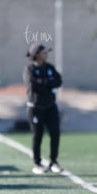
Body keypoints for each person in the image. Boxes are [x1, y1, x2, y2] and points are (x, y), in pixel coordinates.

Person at [23, 43, 63, 175]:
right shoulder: (29, 69)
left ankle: (53, 162)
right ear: (37, 55)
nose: (47, 55)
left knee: (55, 133)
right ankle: (37, 163)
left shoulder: (50, 68)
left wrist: (43, 82)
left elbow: (58, 81)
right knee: (37, 135)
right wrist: (47, 83)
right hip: (35, 108)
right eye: (44, 52)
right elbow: (32, 86)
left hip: (51, 107)